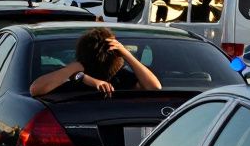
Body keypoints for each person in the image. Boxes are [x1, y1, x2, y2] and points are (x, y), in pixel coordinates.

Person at [29, 28, 162, 97]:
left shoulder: (70, 78)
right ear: (116, 57)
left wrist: (73, 68)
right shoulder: (122, 79)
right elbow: (155, 87)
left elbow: (35, 89)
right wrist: (126, 54)